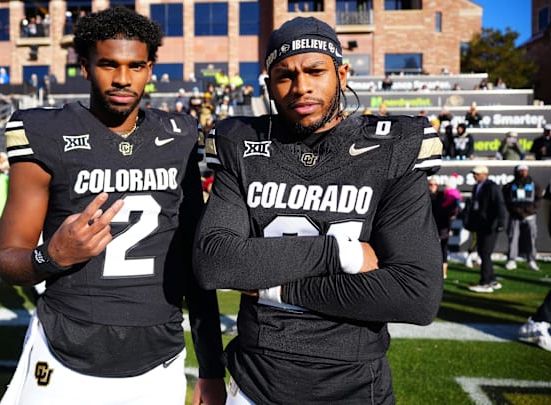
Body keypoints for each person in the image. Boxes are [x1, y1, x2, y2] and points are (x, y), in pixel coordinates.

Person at [194, 16, 444, 404]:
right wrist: (340, 252)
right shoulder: (240, 143)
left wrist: (272, 286)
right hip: (255, 382)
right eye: (285, 75)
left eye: (315, 70)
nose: (302, 87)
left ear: (342, 73)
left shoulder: (392, 147)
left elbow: (415, 294)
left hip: (354, 386)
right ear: (269, 84)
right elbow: (215, 262)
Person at [0, 7, 225, 404]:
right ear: (84, 66)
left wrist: (211, 366)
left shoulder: (180, 135)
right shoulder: (45, 131)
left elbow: (193, 262)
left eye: (136, 65)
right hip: (66, 343)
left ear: (151, 68)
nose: (122, 78)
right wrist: (52, 256)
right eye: (108, 64)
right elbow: (7, 261)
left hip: (158, 352)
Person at [463, 165, 507, 293]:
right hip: (481, 225)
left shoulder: (492, 187)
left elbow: (500, 204)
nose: (474, 176)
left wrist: (500, 222)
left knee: (485, 252)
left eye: (477, 173)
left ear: (484, 174)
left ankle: (485, 282)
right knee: (483, 252)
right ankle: (492, 279)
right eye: (474, 173)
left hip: (490, 226)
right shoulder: (477, 187)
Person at [503, 164, 542, 271]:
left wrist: (530, 210)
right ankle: (511, 259)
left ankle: (531, 260)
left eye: (525, 171)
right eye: (521, 171)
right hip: (515, 215)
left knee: (531, 238)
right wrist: (516, 210)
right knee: (513, 237)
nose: (523, 173)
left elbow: (538, 199)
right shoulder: (510, 186)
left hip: (530, 215)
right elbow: (506, 200)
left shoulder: (534, 185)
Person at [429, 176, 461, 279]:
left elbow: (454, 204)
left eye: (435, 184)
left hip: (442, 226)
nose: (433, 186)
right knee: (431, 249)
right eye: (430, 184)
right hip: (429, 227)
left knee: (443, 248)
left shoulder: (442, 196)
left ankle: (443, 273)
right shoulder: (424, 197)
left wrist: (453, 213)